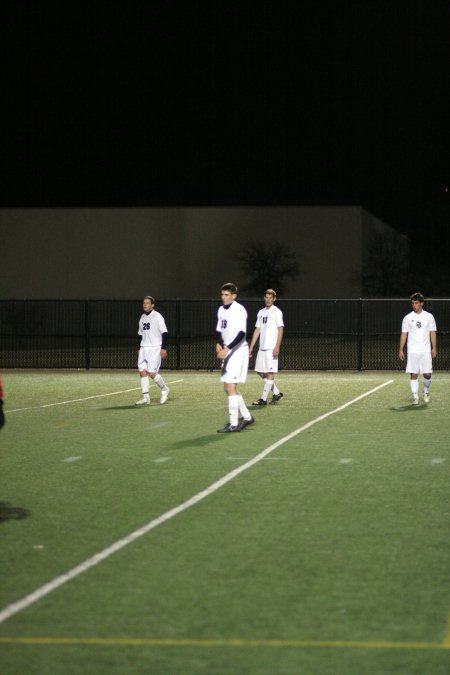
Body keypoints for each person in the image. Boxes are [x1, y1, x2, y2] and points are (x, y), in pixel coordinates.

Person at [215, 282, 255, 432]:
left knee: (231, 386)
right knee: (228, 387)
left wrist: (227, 349)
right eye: (222, 295)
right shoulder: (221, 310)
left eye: (226, 295)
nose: (223, 297)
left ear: (234, 296)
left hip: (237, 351)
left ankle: (233, 424)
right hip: (228, 351)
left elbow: (241, 334)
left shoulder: (239, 310)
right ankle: (246, 417)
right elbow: (219, 330)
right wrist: (219, 343)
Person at [399, 292, 437, 405]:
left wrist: (434, 347)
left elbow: (433, 333)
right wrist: (401, 349)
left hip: (425, 350)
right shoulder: (407, 318)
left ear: (422, 303)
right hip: (412, 351)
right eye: (412, 303)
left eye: (416, 303)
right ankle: (415, 396)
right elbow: (404, 334)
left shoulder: (429, 317)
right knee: (413, 374)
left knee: (427, 374)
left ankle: (425, 391)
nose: (414, 305)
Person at [249, 288, 284, 405]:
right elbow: (257, 329)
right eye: (266, 297)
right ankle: (277, 393)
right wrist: (251, 347)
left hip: (271, 348)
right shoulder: (261, 312)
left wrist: (277, 346)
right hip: (262, 348)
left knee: (269, 373)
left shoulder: (276, 312)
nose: (268, 299)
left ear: (274, 299)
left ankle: (263, 399)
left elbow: (280, 329)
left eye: (271, 297)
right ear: (264, 298)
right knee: (259, 370)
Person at [135, 296, 170, 405]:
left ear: (152, 305)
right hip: (144, 348)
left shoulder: (157, 316)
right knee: (142, 372)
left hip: (155, 348)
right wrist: (138, 348)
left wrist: (163, 348)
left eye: (147, 303)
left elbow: (164, 332)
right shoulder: (142, 317)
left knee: (152, 372)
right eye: (144, 303)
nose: (145, 305)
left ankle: (164, 389)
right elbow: (140, 334)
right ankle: (146, 398)